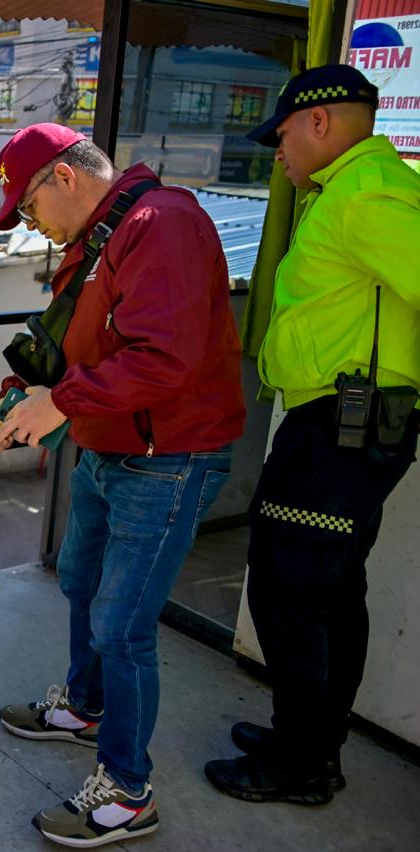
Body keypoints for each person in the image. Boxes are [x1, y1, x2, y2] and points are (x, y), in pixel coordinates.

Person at [0, 123, 246, 848]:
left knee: (123, 625)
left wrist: (61, 405)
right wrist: (23, 392)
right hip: (112, 448)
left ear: (64, 178)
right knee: (79, 579)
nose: (30, 222)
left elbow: (166, 357)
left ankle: (128, 792)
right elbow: (80, 342)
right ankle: (87, 705)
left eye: (29, 204)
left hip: (166, 460)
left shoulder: (162, 224)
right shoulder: (101, 237)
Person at [205, 65, 420, 805]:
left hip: (344, 429)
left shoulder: (366, 194)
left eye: (284, 135)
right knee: (325, 592)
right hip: (340, 426)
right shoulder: (356, 190)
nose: (279, 152)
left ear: (321, 121)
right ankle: (309, 744)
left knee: (292, 593)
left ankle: (301, 766)